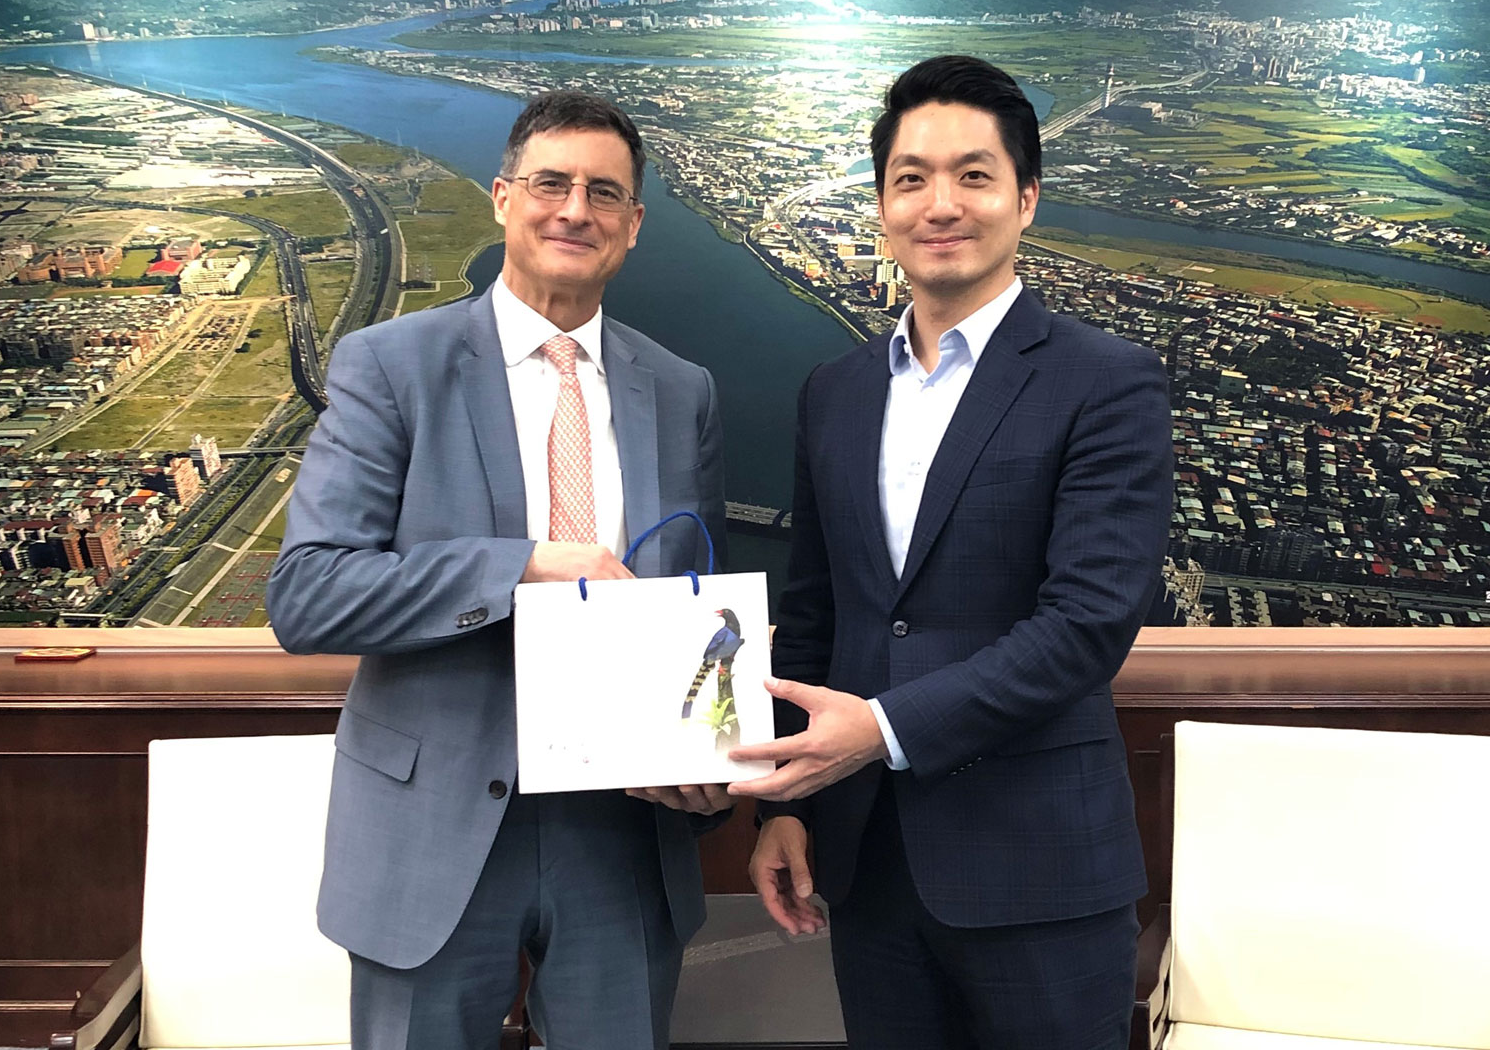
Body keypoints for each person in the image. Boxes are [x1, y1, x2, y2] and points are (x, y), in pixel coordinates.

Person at [267, 89, 731, 1050]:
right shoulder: (388, 364)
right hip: (432, 828)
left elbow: (698, 610)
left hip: (624, 836)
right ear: (501, 198)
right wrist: (522, 569)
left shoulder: (683, 391)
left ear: (634, 225)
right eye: (551, 183)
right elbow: (309, 594)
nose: (575, 210)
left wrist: (709, 756)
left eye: (605, 193)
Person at [727, 55, 1174, 1050]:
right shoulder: (832, 390)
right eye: (911, 177)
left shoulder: (1105, 381)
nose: (940, 203)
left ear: (1025, 198)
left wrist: (877, 727)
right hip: (868, 862)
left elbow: (1085, 626)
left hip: (1039, 867)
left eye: (973, 174)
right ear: (882, 205)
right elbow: (816, 609)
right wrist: (783, 807)